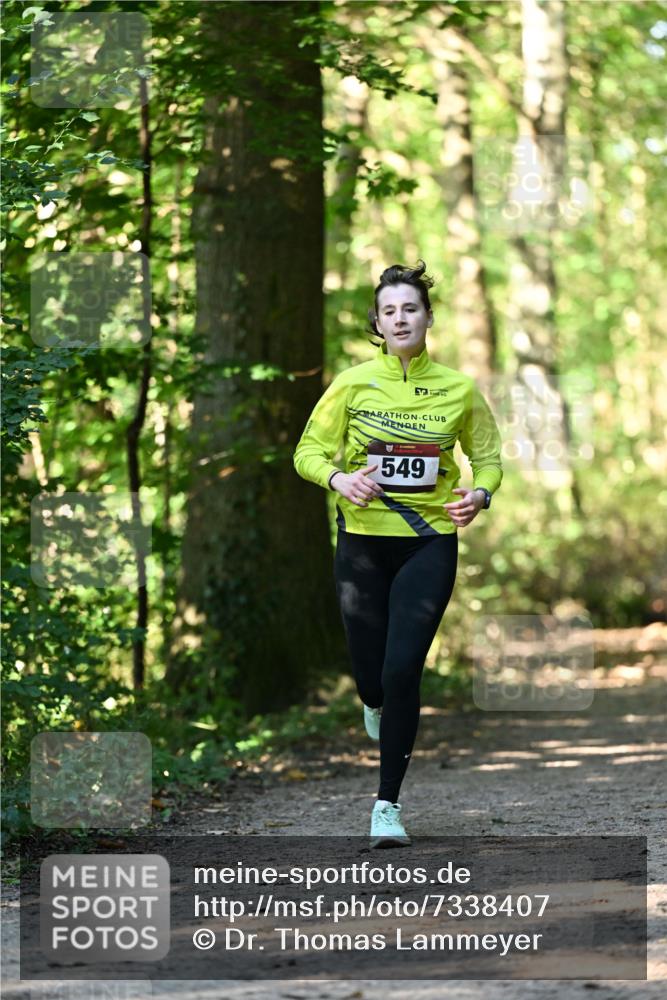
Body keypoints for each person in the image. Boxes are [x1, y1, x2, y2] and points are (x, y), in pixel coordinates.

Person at [293, 260, 502, 848]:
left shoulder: (460, 390)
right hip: (361, 545)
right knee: (372, 677)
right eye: (389, 311)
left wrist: (480, 494)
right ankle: (374, 700)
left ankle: (387, 804)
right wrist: (339, 479)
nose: (400, 318)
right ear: (377, 325)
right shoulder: (352, 384)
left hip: (429, 542)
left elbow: (487, 459)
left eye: (410, 308)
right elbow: (307, 452)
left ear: (428, 317)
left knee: (403, 666)